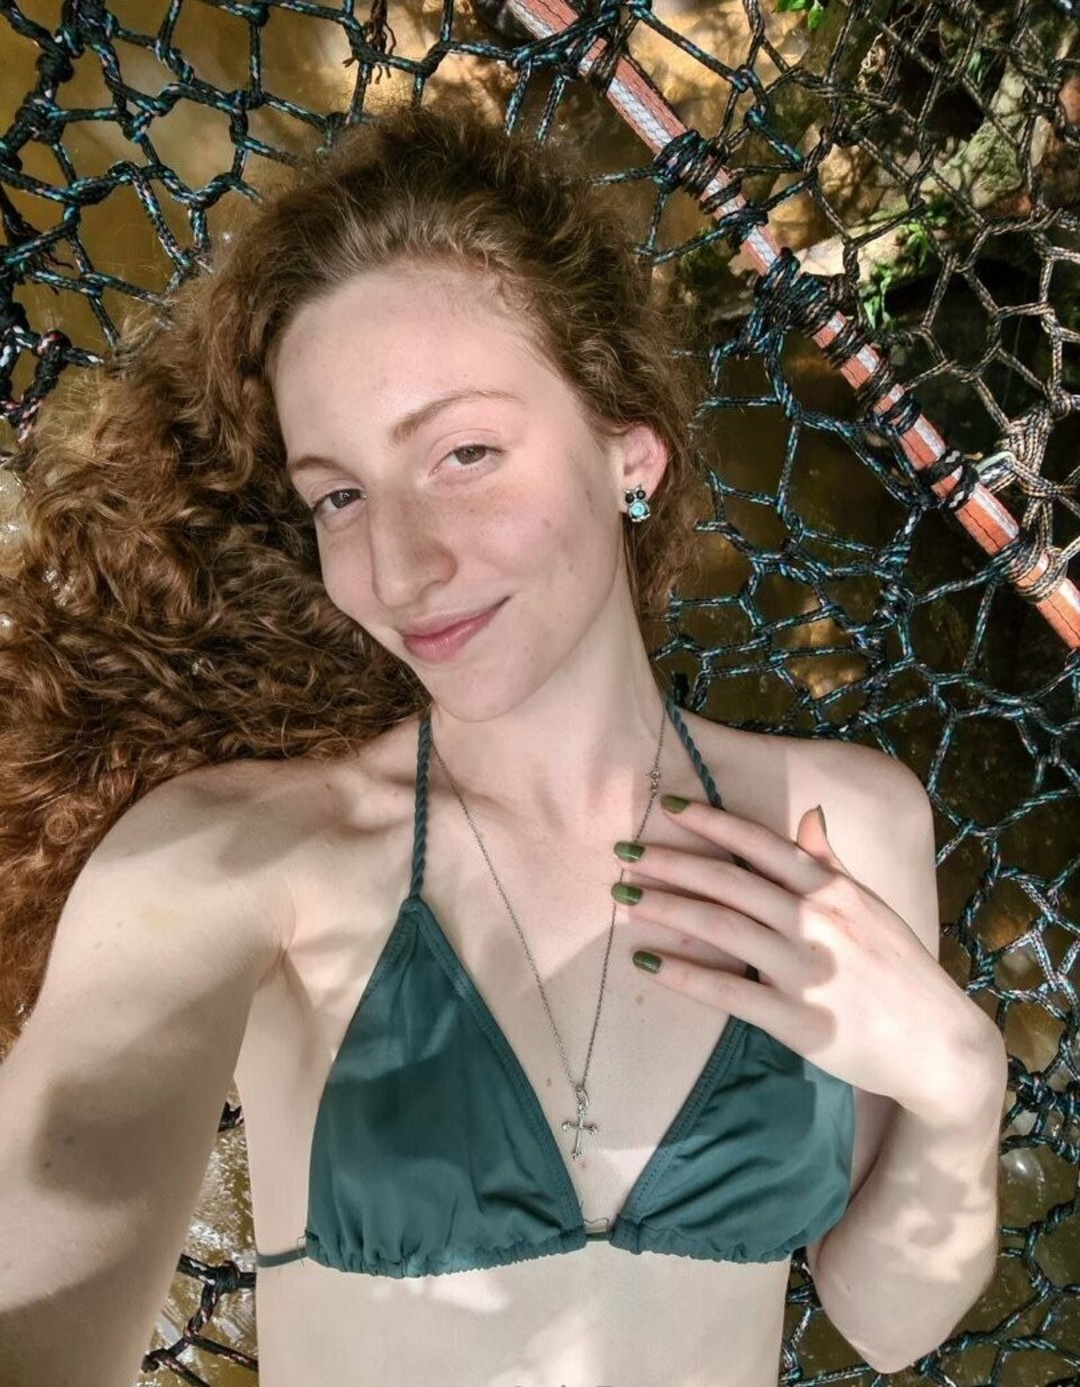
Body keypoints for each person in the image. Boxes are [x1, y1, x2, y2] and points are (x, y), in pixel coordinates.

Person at [0, 89, 1006, 1387]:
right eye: (341, 495)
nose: (400, 567)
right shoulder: (237, 863)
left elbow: (884, 1319)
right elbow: (53, 1228)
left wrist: (961, 1085)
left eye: (464, 452)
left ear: (629, 455)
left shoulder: (843, 827)